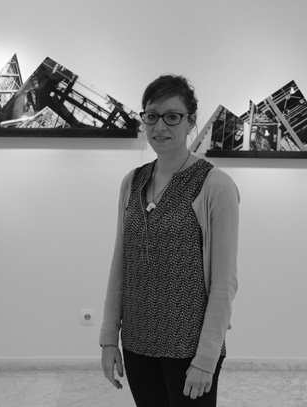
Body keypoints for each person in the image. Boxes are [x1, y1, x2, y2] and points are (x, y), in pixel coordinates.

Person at [99, 74, 239, 407]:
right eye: (152, 116)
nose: (160, 126)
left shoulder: (215, 185)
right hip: (137, 341)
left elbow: (224, 282)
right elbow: (121, 264)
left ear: (190, 121)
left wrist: (206, 358)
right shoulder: (132, 182)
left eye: (172, 116)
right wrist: (109, 338)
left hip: (190, 347)